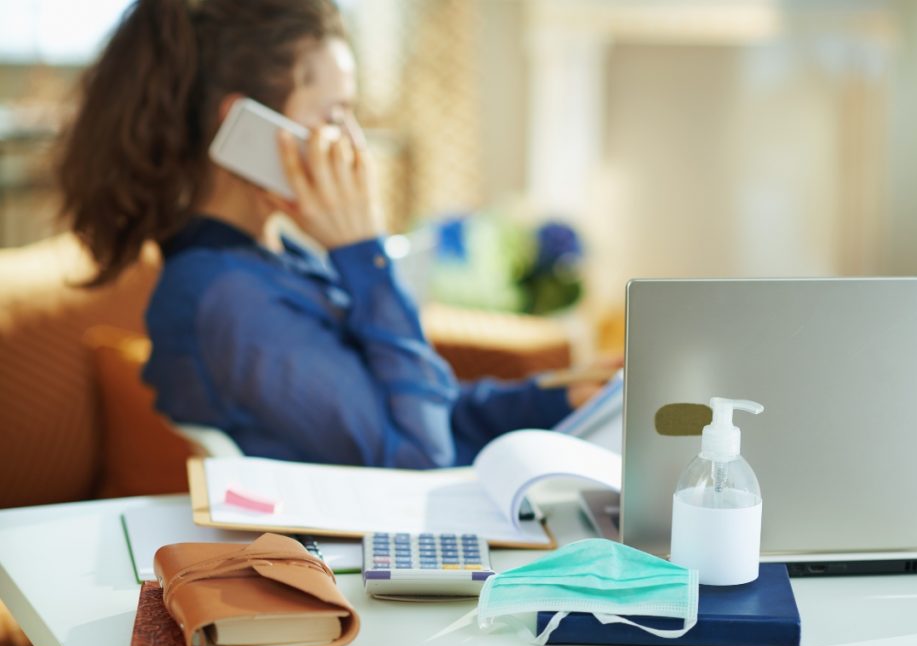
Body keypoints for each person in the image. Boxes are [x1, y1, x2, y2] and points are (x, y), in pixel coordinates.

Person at [57, 0, 610, 469]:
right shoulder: (228, 297)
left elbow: (415, 403)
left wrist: (561, 398)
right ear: (246, 128)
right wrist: (363, 253)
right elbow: (420, 456)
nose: (353, 143)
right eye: (335, 113)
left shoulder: (276, 256)